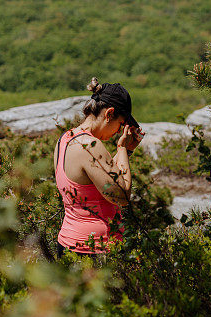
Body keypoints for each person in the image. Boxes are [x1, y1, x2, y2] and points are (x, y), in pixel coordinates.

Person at [54, 78, 144, 257]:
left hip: (68, 243)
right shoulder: (90, 146)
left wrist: (128, 151)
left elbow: (102, 178)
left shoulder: (66, 138)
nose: (119, 131)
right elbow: (122, 195)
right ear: (109, 113)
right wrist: (122, 148)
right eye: (120, 124)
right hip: (92, 250)